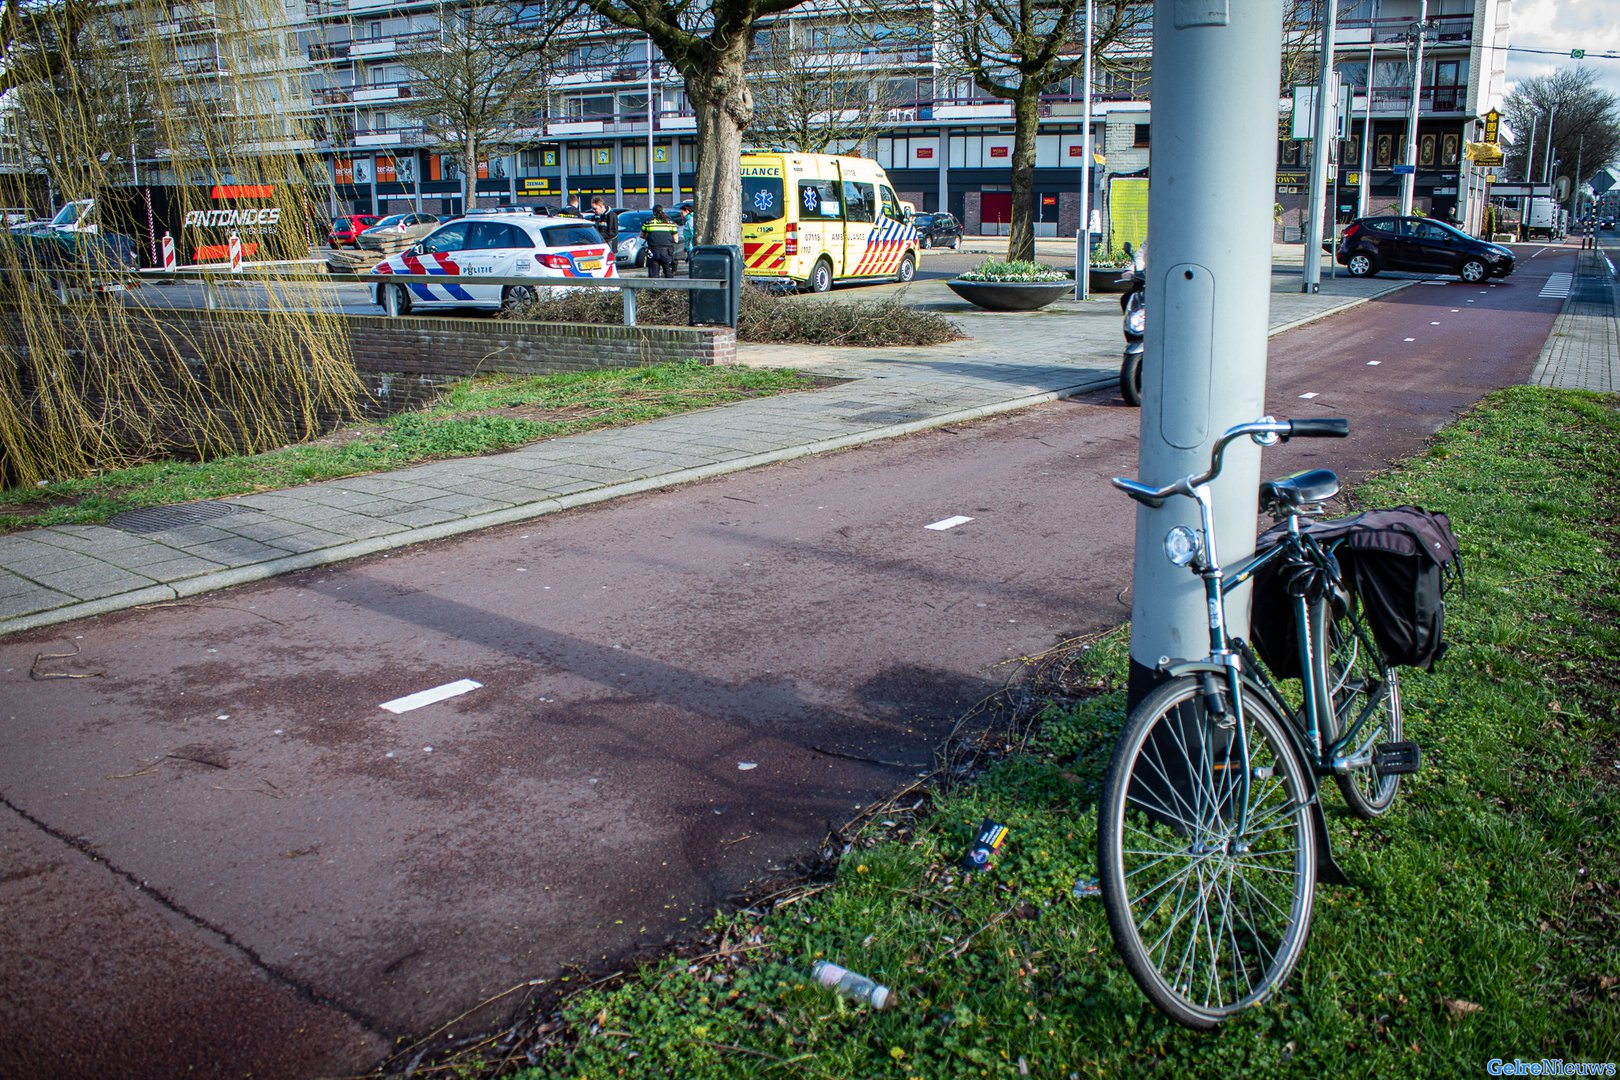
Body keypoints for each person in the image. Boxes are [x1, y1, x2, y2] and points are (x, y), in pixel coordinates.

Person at [641, 204, 680, 278]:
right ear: (663, 211)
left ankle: (654, 289)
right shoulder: (670, 222)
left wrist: (651, 238)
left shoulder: (648, 222)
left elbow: (641, 235)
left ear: (653, 212)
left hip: (653, 251)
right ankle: (668, 288)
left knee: (653, 276)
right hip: (667, 252)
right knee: (668, 274)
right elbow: (676, 240)